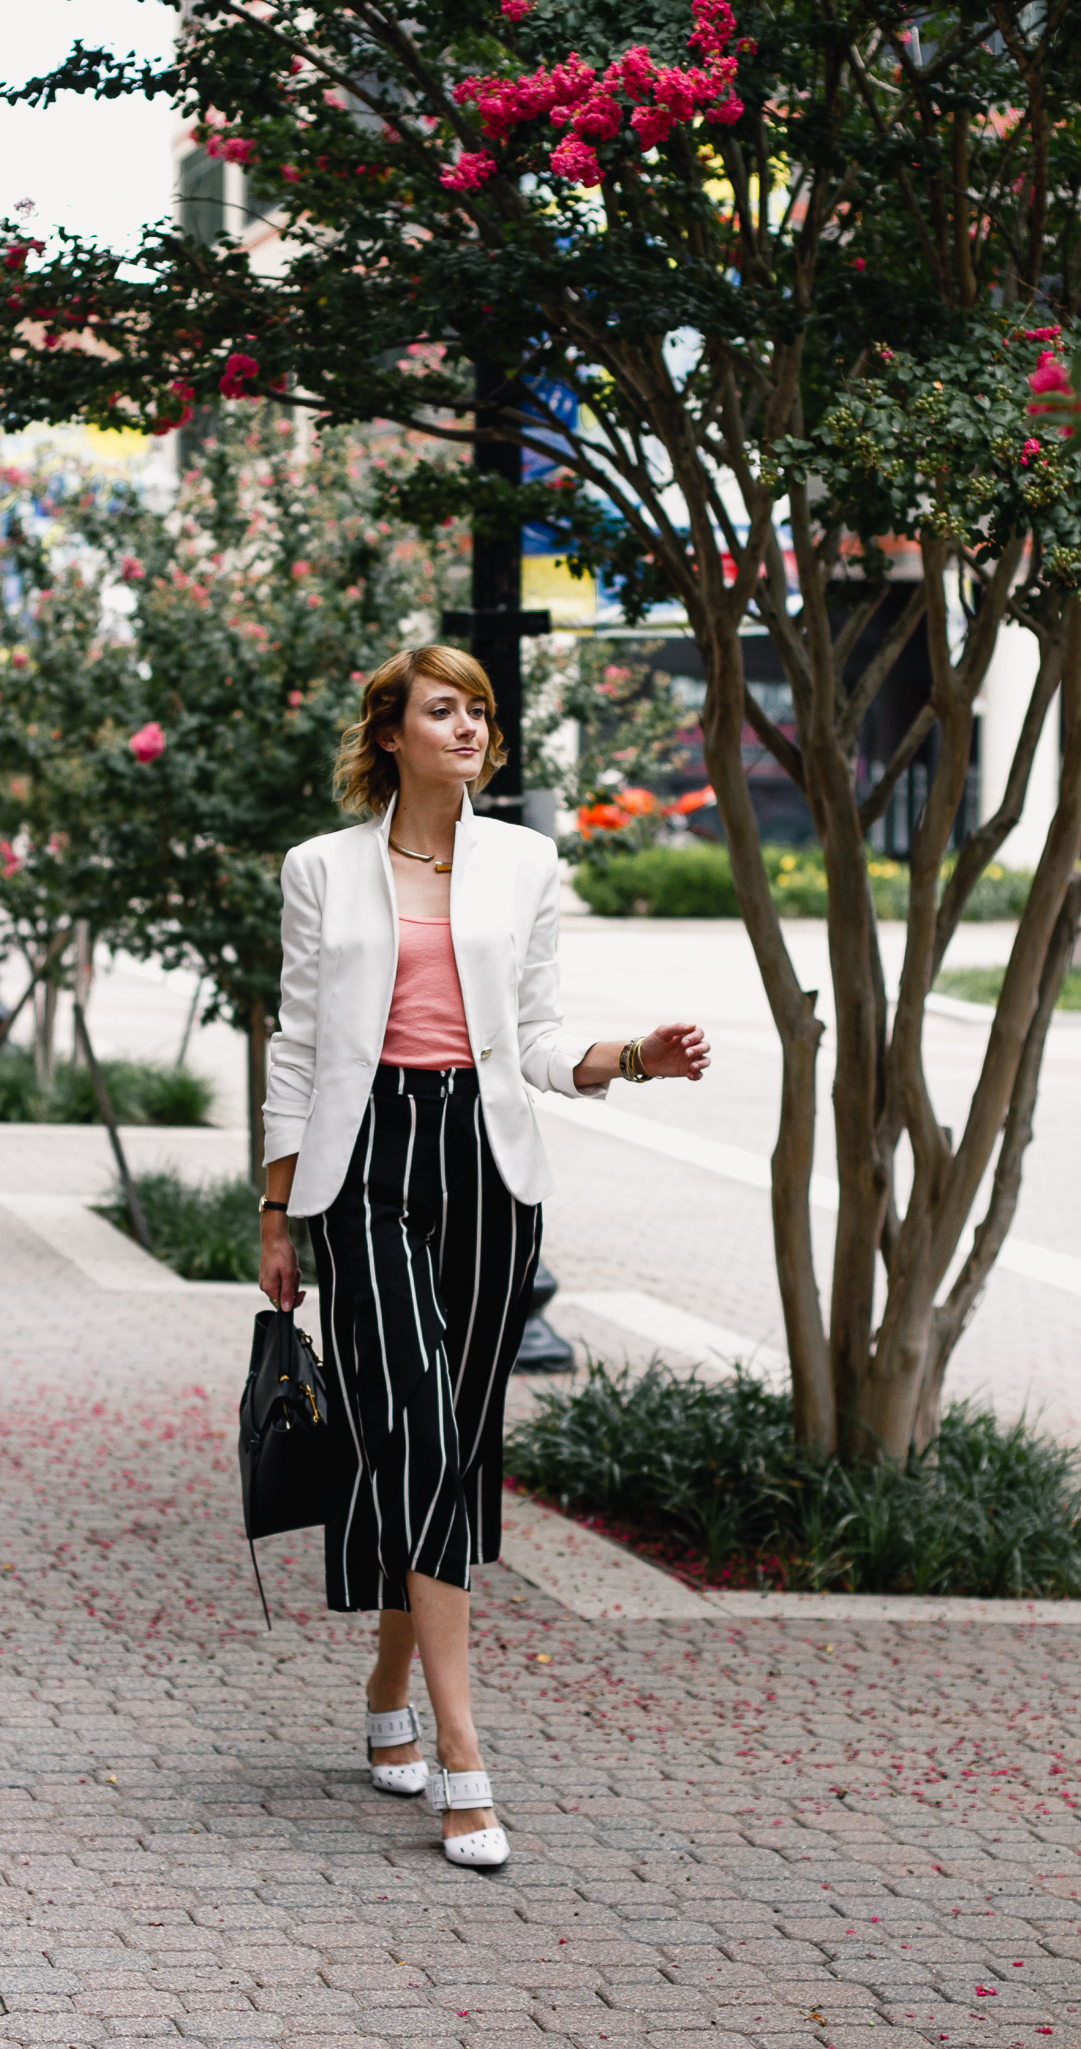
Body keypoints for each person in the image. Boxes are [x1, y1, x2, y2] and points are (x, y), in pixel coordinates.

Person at [258, 644, 709, 1868]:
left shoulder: (525, 861)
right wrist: (275, 1210)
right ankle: (466, 1755)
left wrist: (632, 1058)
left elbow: (544, 1035)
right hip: (363, 1169)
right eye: (441, 710)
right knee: (408, 1424)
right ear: (390, 731)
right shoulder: (322, 869)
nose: (467, 727)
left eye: (478, 713)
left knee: (448, 1446)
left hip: (485, 1169)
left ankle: (386, 1681)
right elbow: (298, 1042)